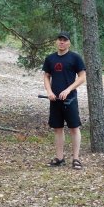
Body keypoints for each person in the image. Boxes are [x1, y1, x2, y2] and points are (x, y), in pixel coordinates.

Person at [42, 32, 86, 169]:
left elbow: (82, 77)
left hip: (70, 99)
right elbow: (46, 76)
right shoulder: (50, 59)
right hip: (55, 99)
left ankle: (76, 159)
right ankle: (59, 158)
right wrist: (49, 91)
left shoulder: (75, 58)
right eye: (59, 40)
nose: (61, 42)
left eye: (64, 40)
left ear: (69, 43)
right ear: (56, 42)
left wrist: (68, 89)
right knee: (57, 128)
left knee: (74, 128)